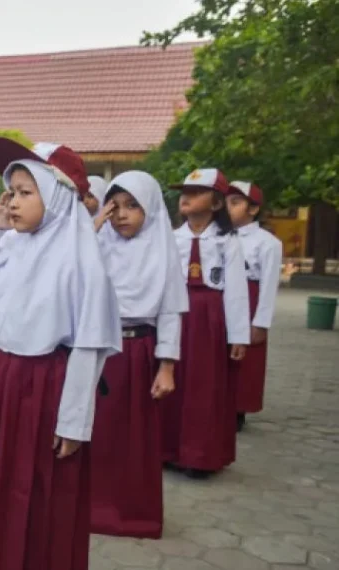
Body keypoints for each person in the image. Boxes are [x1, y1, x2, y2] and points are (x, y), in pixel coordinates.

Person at [0, 137, 121, 570]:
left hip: (47, 388)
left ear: (58, 198)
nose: (13, 203)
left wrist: (74, 422)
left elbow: (89, 345)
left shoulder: (82, 262)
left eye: (26, 193)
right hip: (1, 379)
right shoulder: (11, 246)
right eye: (12, 192)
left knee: (38, 489)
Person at [90, 170, 188, 539]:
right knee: (95, 431)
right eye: (114, 206)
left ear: (151, 208)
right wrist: (93, 228)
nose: (122, 215)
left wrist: (167, 366)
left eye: (133, 205)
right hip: (98, 348)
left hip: (138, 351)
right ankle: (89, 507)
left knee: (134, 437)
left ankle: (132, 514)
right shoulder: (97, 245)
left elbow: (171, 311)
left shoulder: (163, 250)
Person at [163, 168, 250, 479]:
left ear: (216, 203)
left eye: (196, 192)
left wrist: (238, 334)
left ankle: (199, 455)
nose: (186, 197)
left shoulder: (227, 240)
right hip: (176, 312)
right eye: (184, 192)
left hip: (209, 316)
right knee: (173, 380)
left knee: (204, 385)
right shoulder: (172, 238)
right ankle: (169, 450)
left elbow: (236, 288)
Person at [225, 181, 282, 430]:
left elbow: (269, 286)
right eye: (225, 202)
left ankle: (238, 409)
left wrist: (260, 322)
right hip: (224, 298)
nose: (228, 207)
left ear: (253, 209)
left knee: (245, 360)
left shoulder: (267, 243)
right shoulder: (219, 236)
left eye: (235, 203)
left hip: (250, 297)